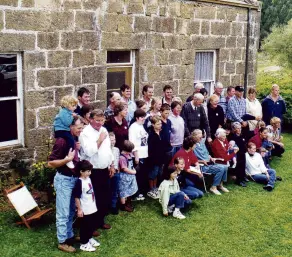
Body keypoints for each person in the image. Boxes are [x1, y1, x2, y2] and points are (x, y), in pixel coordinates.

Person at [48, 116, 83, 253]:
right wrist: (67, 159)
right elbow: (51, 163)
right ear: (70, 127)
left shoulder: (72, 139)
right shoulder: (62, 141)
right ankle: (62, 241)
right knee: (63, 213)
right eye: (79, 128)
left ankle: (69, 236)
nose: (81, 130)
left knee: (70, 211)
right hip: (64, 180)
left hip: (73, 179)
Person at [79, 109, 114, 231]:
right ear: (91, 119)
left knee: (104, 197)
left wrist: (111, 165)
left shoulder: (103, 129)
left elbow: (109, 149)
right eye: (97, 120)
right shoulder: (85, 133)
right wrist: (99, 140)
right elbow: (89, 151)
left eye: (102, 120)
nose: (100, 123)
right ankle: (91, 225)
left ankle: (100, 220)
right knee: (93, 198)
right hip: (92, 171)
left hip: (104, 168)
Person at [73, 160, 100, 252]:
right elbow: (76, 197)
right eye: (88, 171)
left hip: (92, 207)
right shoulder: (79, 182)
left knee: (92, 224)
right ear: (81, 171)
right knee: (85, 226)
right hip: (85, 209)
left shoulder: (88, 179)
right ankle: (84, 243)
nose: (90, 173)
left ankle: (89, 238)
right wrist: (79, 209)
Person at [192, 129, 230, 195]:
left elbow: (207, 153)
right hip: (202, 166)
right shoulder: (192, 145)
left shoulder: (201, 143)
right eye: (200, 137)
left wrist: (210, 157)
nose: (201, 138)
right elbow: (191, 160)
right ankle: (213, 187)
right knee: (221, 168)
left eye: (201, 137)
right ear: (195, 137)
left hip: (209, 163)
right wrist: (202, 161)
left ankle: (220, 185)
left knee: (225, 167)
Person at [53, 95, 78, 169]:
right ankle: (68, 157)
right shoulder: (63, 112)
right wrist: (72, 116)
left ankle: (69, 156)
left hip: (63, 129)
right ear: (67, 105)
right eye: (73, 105)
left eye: (75, 105)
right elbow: (67, 122)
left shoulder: (67, 111)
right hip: (60, 130)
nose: (75, 107)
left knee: (71, 141)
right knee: (70, 141)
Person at [128, 109, 149, 200]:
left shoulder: (141, 126)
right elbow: (132, 143)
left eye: (144, 117)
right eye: (141, 117)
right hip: (137, 155)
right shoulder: (133, 127)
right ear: (136, 118)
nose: (143, 119)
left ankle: (140, 191)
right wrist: (136, 156)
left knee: (142, 175)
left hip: (144, 154)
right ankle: (135, 194)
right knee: (137, 175)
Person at [147, 116, 165, 199]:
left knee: (158, 173)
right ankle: (151, 189)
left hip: (161, 158)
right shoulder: (151, 135)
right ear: (153, 125)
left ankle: (155, 187)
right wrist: (152, 159)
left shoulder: (161, 133)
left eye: (160, 123)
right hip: (154, 159)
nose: (160, 125)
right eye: (158, 124)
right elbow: (150, 149)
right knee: (152, 174)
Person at [119, 140, 138, 212]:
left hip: (130, 177)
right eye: (130, 151)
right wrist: (134, 172)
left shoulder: (128, 155)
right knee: (123, 192)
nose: (131, 152)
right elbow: (124, 168)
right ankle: (123, 206)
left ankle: (128, 202)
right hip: (124, 178)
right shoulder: (122, 158)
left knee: (129, 190)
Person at [227, 122, 249, 187]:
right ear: (234, 129)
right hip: (237, 154)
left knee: (243, 165)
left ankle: (243, 176)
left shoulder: (241, 136)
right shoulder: (233, 137)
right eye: (237, 128)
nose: (239, 130)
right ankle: (238, 180)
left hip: (243, 153)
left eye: (240, 128)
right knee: (239, 166)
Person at [108, 132, 120, 215]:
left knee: (114, 190)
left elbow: (117, 160)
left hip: (116, 172)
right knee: (108, 190)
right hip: (108, 172)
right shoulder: (105, 150)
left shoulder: (116, 149)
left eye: (114, 139)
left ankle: (113, 205)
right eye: (111, 140)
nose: (113, 141)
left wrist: (118, 169)